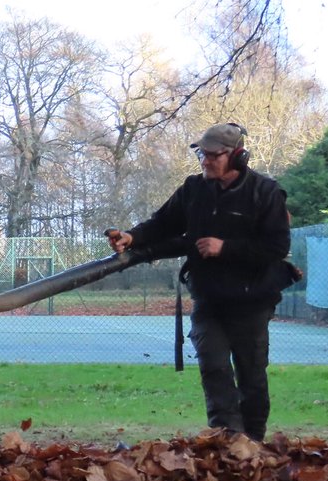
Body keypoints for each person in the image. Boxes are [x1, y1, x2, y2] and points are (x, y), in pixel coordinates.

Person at [108, 122, 292, 442]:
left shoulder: (265, 192)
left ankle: (254, 443)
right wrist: (132, 236)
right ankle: (228, 438)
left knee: (251, 376)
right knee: (213, 366)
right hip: (209, 298)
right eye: (201, 154)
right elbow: (162, 223)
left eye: (213, 155)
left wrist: (225, 248)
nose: (205, 161)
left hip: (251, 301)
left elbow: (277, 247)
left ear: (238, 156)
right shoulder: (194, 189)